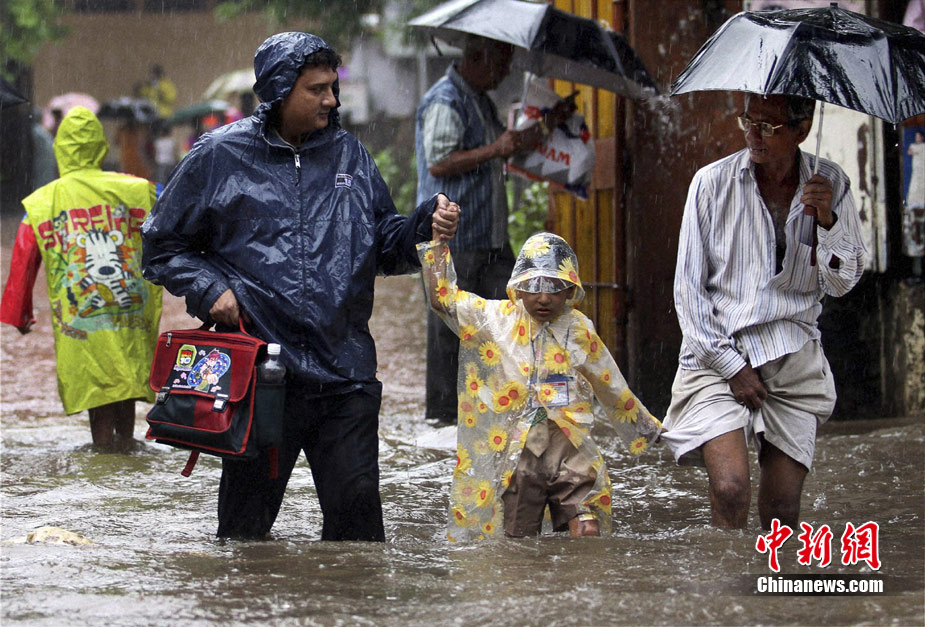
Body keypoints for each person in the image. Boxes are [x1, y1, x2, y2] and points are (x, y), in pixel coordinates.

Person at [140, 32, 459, 541]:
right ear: (279, 90)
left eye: (333, 87)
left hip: (346, 374)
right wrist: (208, 288)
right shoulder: (219, 155)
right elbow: (160, 246)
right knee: (243, 541)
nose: (331, 100)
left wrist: (422, 225)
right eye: (317, 89)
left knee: (358, 544)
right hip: (261, 378)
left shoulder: (350, 155)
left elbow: (384, 246)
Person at [661, 94, 867, 530]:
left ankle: (773, 577)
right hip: (717, 352)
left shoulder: (832, 183)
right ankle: (727, 576)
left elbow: (843, 282)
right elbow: (688, 292)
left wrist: (827, 221)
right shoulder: (711, 183)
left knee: (782, 511)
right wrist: (731, 367)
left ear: (802, 130)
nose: (753, 135)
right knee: (730, 488)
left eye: (768, 127)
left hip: (793, 356)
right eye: (748, 121)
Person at [417, 231, 662, 542]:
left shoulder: (579, 329)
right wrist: (438, 243)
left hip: (569, 446)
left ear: (570, 290)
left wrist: (649, 429)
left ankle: (585, 574)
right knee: (520, 541)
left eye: (554, 287)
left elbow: (610, 383)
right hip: (517, 452)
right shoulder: (496, 320)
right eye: (534, 286)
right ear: (518, 288)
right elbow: (444, 302)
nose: (544, 298)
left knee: (587, 526)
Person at [415, 35, 571, 426]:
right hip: (456, 239)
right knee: (450, 328)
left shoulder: (480, 100)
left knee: (513, 314)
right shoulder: (446, 99)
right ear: (477, 58)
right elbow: (439, 161)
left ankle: (501, 409)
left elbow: (505, 147)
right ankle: (444, 421)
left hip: (490, 237)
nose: (504, 75)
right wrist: (495, 149)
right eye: (500, 65)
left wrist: (548, 123)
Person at [0, 106, 163, 452]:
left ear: (60, 149)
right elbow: (180, 222)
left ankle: (103, 457)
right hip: (130, 309)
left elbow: (24, 260)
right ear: (101, 147)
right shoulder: (141, 190)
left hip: (80, 317)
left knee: (96, 386)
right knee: (126, 378)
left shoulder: (42, 203)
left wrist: (20, 314)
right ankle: (127, 450)